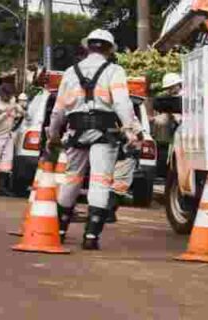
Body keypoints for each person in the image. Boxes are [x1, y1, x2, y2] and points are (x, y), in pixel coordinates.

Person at [45, 29, 144, 250]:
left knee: (71, 179)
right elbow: (121, 103)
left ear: (87, 47)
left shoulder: (71, 72)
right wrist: (133, 131)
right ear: (110, 49)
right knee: (100, 181)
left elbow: (58, 110)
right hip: (104, 132)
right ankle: (91, 236)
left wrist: (53, 135)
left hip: (75, 131)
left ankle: (59, 231)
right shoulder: (114, 70)